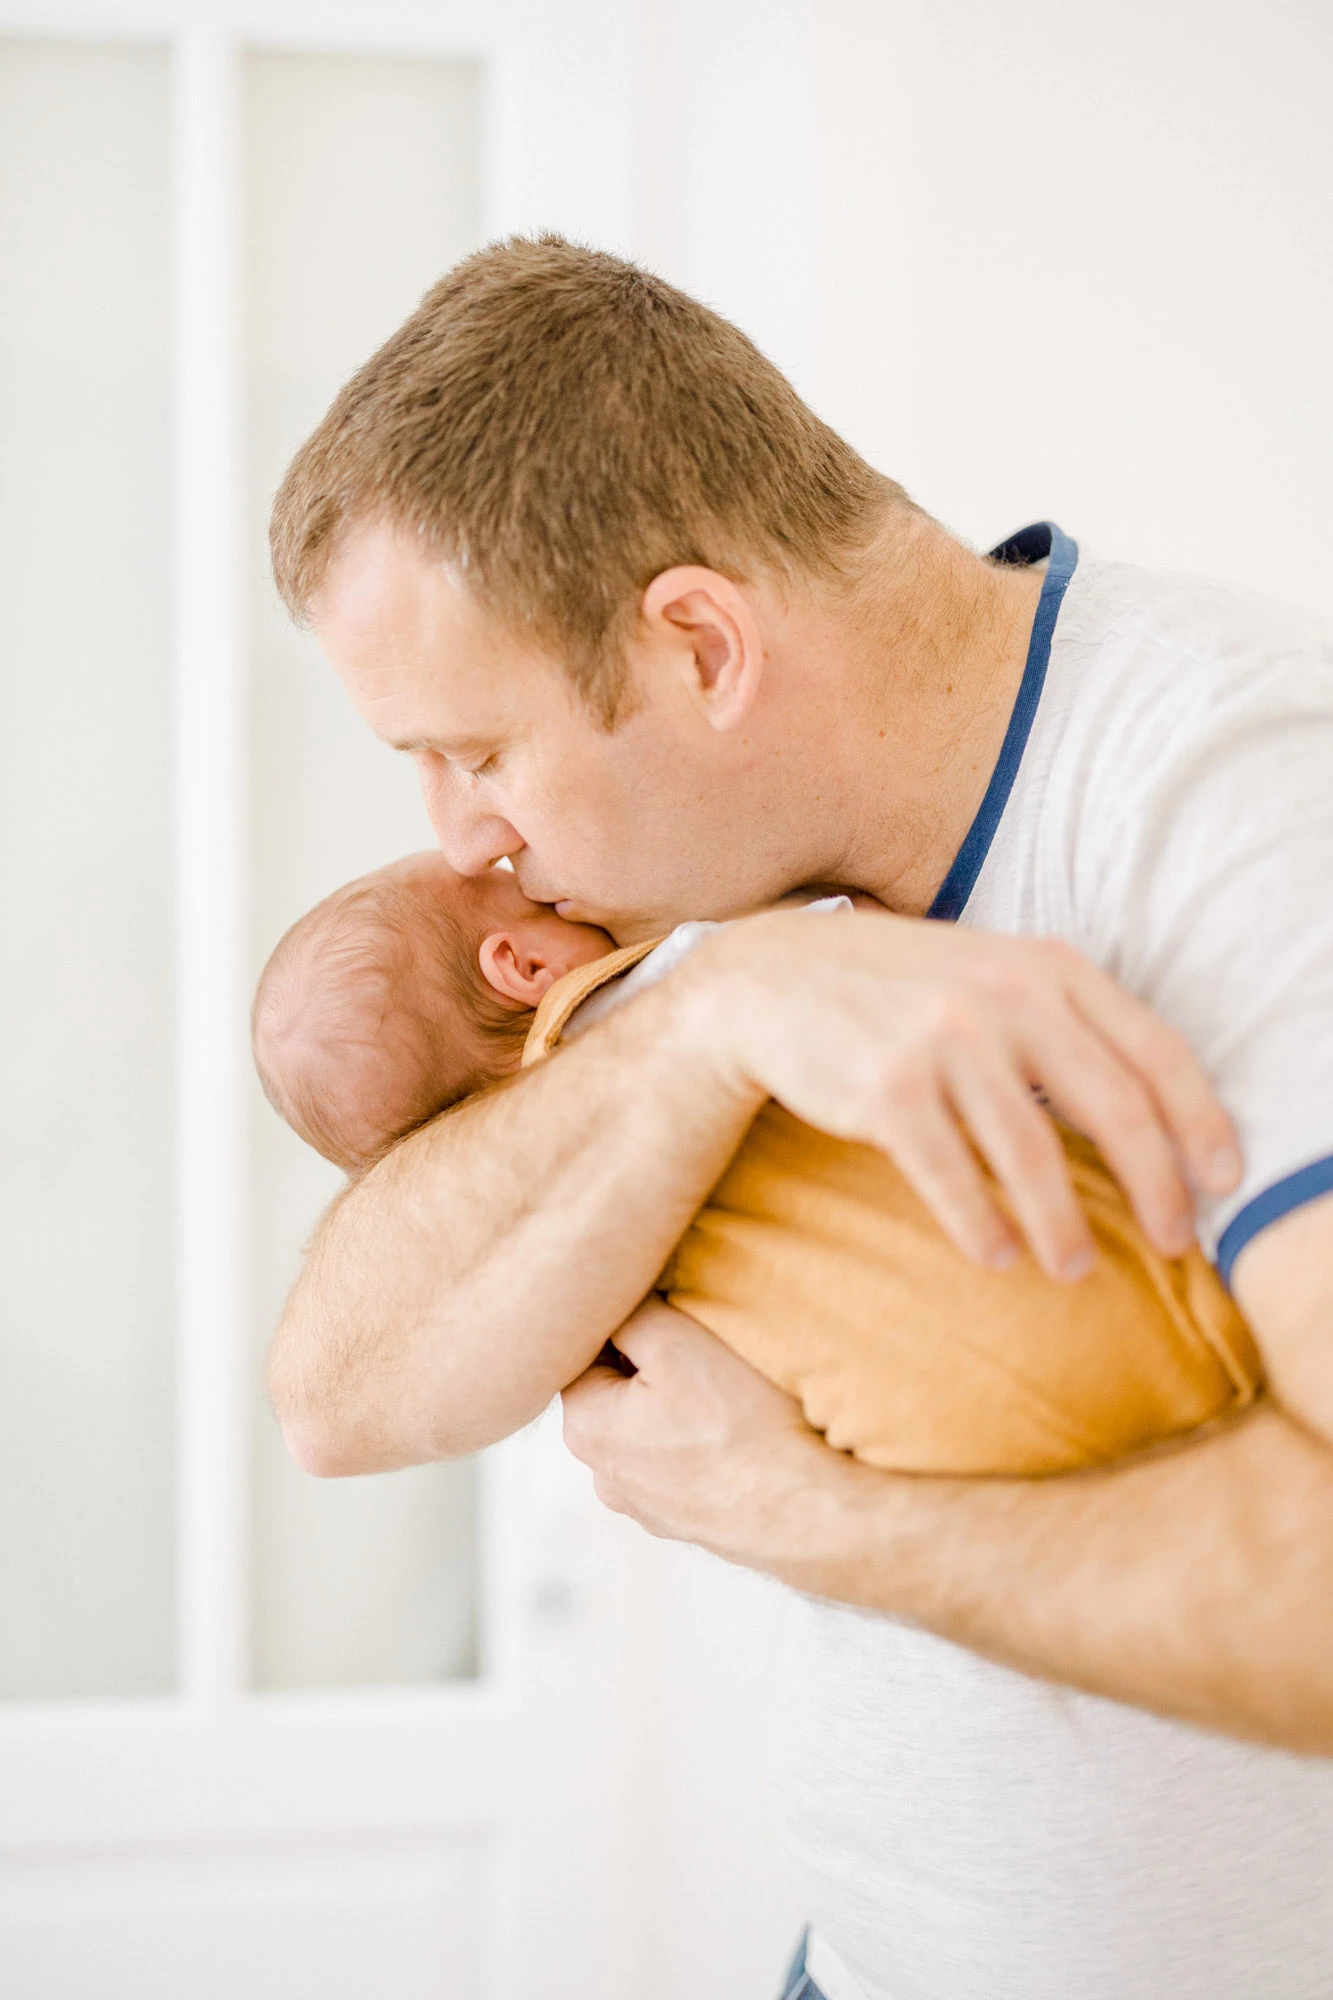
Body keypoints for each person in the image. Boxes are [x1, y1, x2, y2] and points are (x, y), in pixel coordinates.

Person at [264, 237, 1333, 1999]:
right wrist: (710, 1023)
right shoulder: (722, 955)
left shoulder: (1235, 805)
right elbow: (337, 1396)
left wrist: (802, 1516)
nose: (459, 843)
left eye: (474, 752)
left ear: (696, 644)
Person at [253, 852, 1259, 1479]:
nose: (519, 857)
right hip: (1124, 1291)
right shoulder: (671, 981)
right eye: (521, 889)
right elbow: (862, 942)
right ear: (522, 965)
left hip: (954, 1442)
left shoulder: (541, 1261)